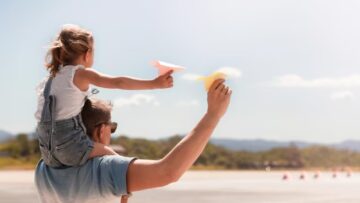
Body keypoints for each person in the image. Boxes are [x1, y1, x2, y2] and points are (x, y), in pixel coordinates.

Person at [35, 79, 232, 203]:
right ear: (102, 129)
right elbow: (168, 171)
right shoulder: (106, 168)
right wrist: (213, 115)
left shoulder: (44, 168)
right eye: (112, 128)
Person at [35, 24, 173, 168]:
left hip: (47, 153)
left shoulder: (50, 79)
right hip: (70, 148)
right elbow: (118, 82)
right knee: (114, 158)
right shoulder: (80, 73)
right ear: (87, 54)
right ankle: (125, 190)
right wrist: (154, 83)